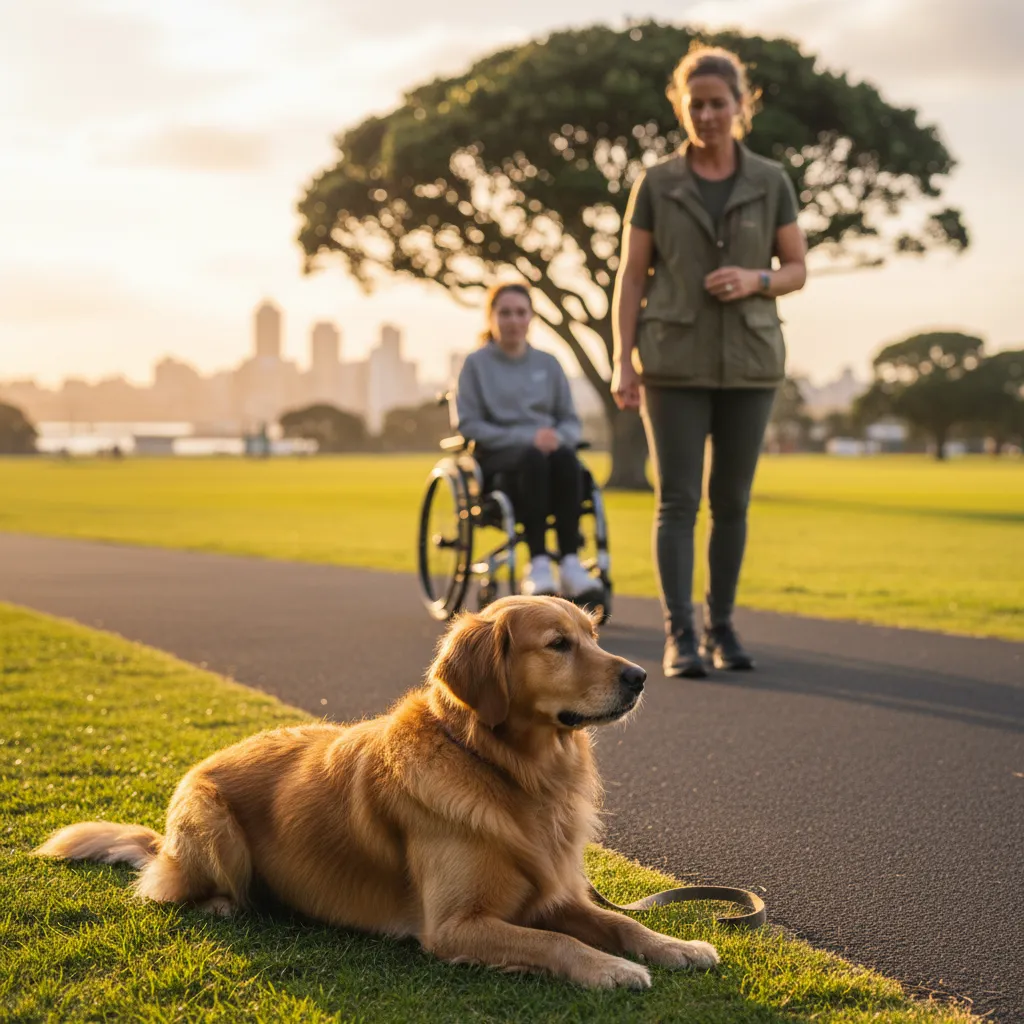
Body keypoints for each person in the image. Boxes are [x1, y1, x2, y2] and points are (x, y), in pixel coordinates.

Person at [610, 45, 808, 678]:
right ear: (681, 107)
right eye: (695, 104)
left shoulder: (771, 180)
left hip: (751, 362)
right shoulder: (657, 182)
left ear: (741, 106)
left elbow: (797, 269)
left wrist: (756, 279)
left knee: (733, 502)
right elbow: (631, 276)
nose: (707, 114)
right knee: (677, 501)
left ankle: (723, 627)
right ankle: (681, 636)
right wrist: (623, 360)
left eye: (718, 103)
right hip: (671, 362)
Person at [454, 282, 600, 602]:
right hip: (498, 459)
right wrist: (527, 438)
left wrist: (556, 438)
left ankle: (572, 562)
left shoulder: (549, 363)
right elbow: (468, 424)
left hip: (549, 458)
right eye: (505, 313)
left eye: (521, 313)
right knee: (534, 457)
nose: (513, 320)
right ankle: (538, 564)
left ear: (531, 317)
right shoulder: (475, 365)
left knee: (566, 458)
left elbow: (570, 420)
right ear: (490, 318)